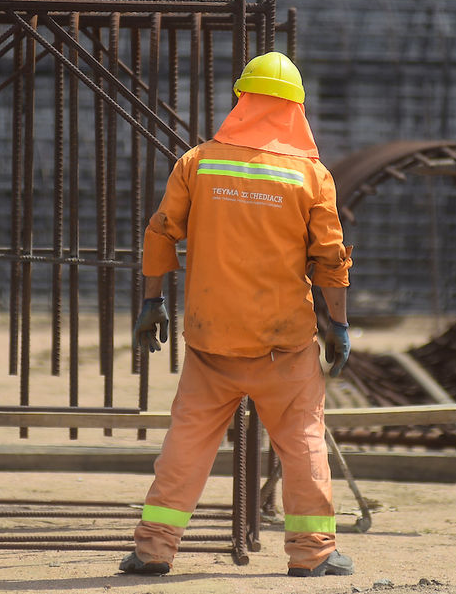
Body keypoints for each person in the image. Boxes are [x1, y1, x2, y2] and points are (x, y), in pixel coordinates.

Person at [120, 51, 355, 578]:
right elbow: (330, 260)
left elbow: (160, 234)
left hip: (211, 341)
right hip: (284, 345)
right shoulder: (311, 177)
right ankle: (312, 553)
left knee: (186, 445)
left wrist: (151, 302)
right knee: (302, 445)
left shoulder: (199, 162)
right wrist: (337, 325)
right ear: (296, 108)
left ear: (242, 99)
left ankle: (154, 549)